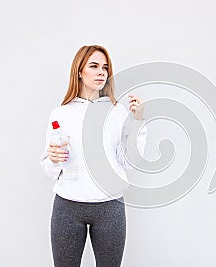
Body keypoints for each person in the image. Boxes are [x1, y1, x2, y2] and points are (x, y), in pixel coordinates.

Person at [40, 45, 147, 267]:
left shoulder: (117, 113)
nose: (101, 72)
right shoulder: (61, 114)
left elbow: (129, 162)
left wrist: (137, 122)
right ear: (79, 71)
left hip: (109, 208)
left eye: (105, 67)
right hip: (67, 207)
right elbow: (50, 171)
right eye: (94, 66)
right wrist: (52, 158)